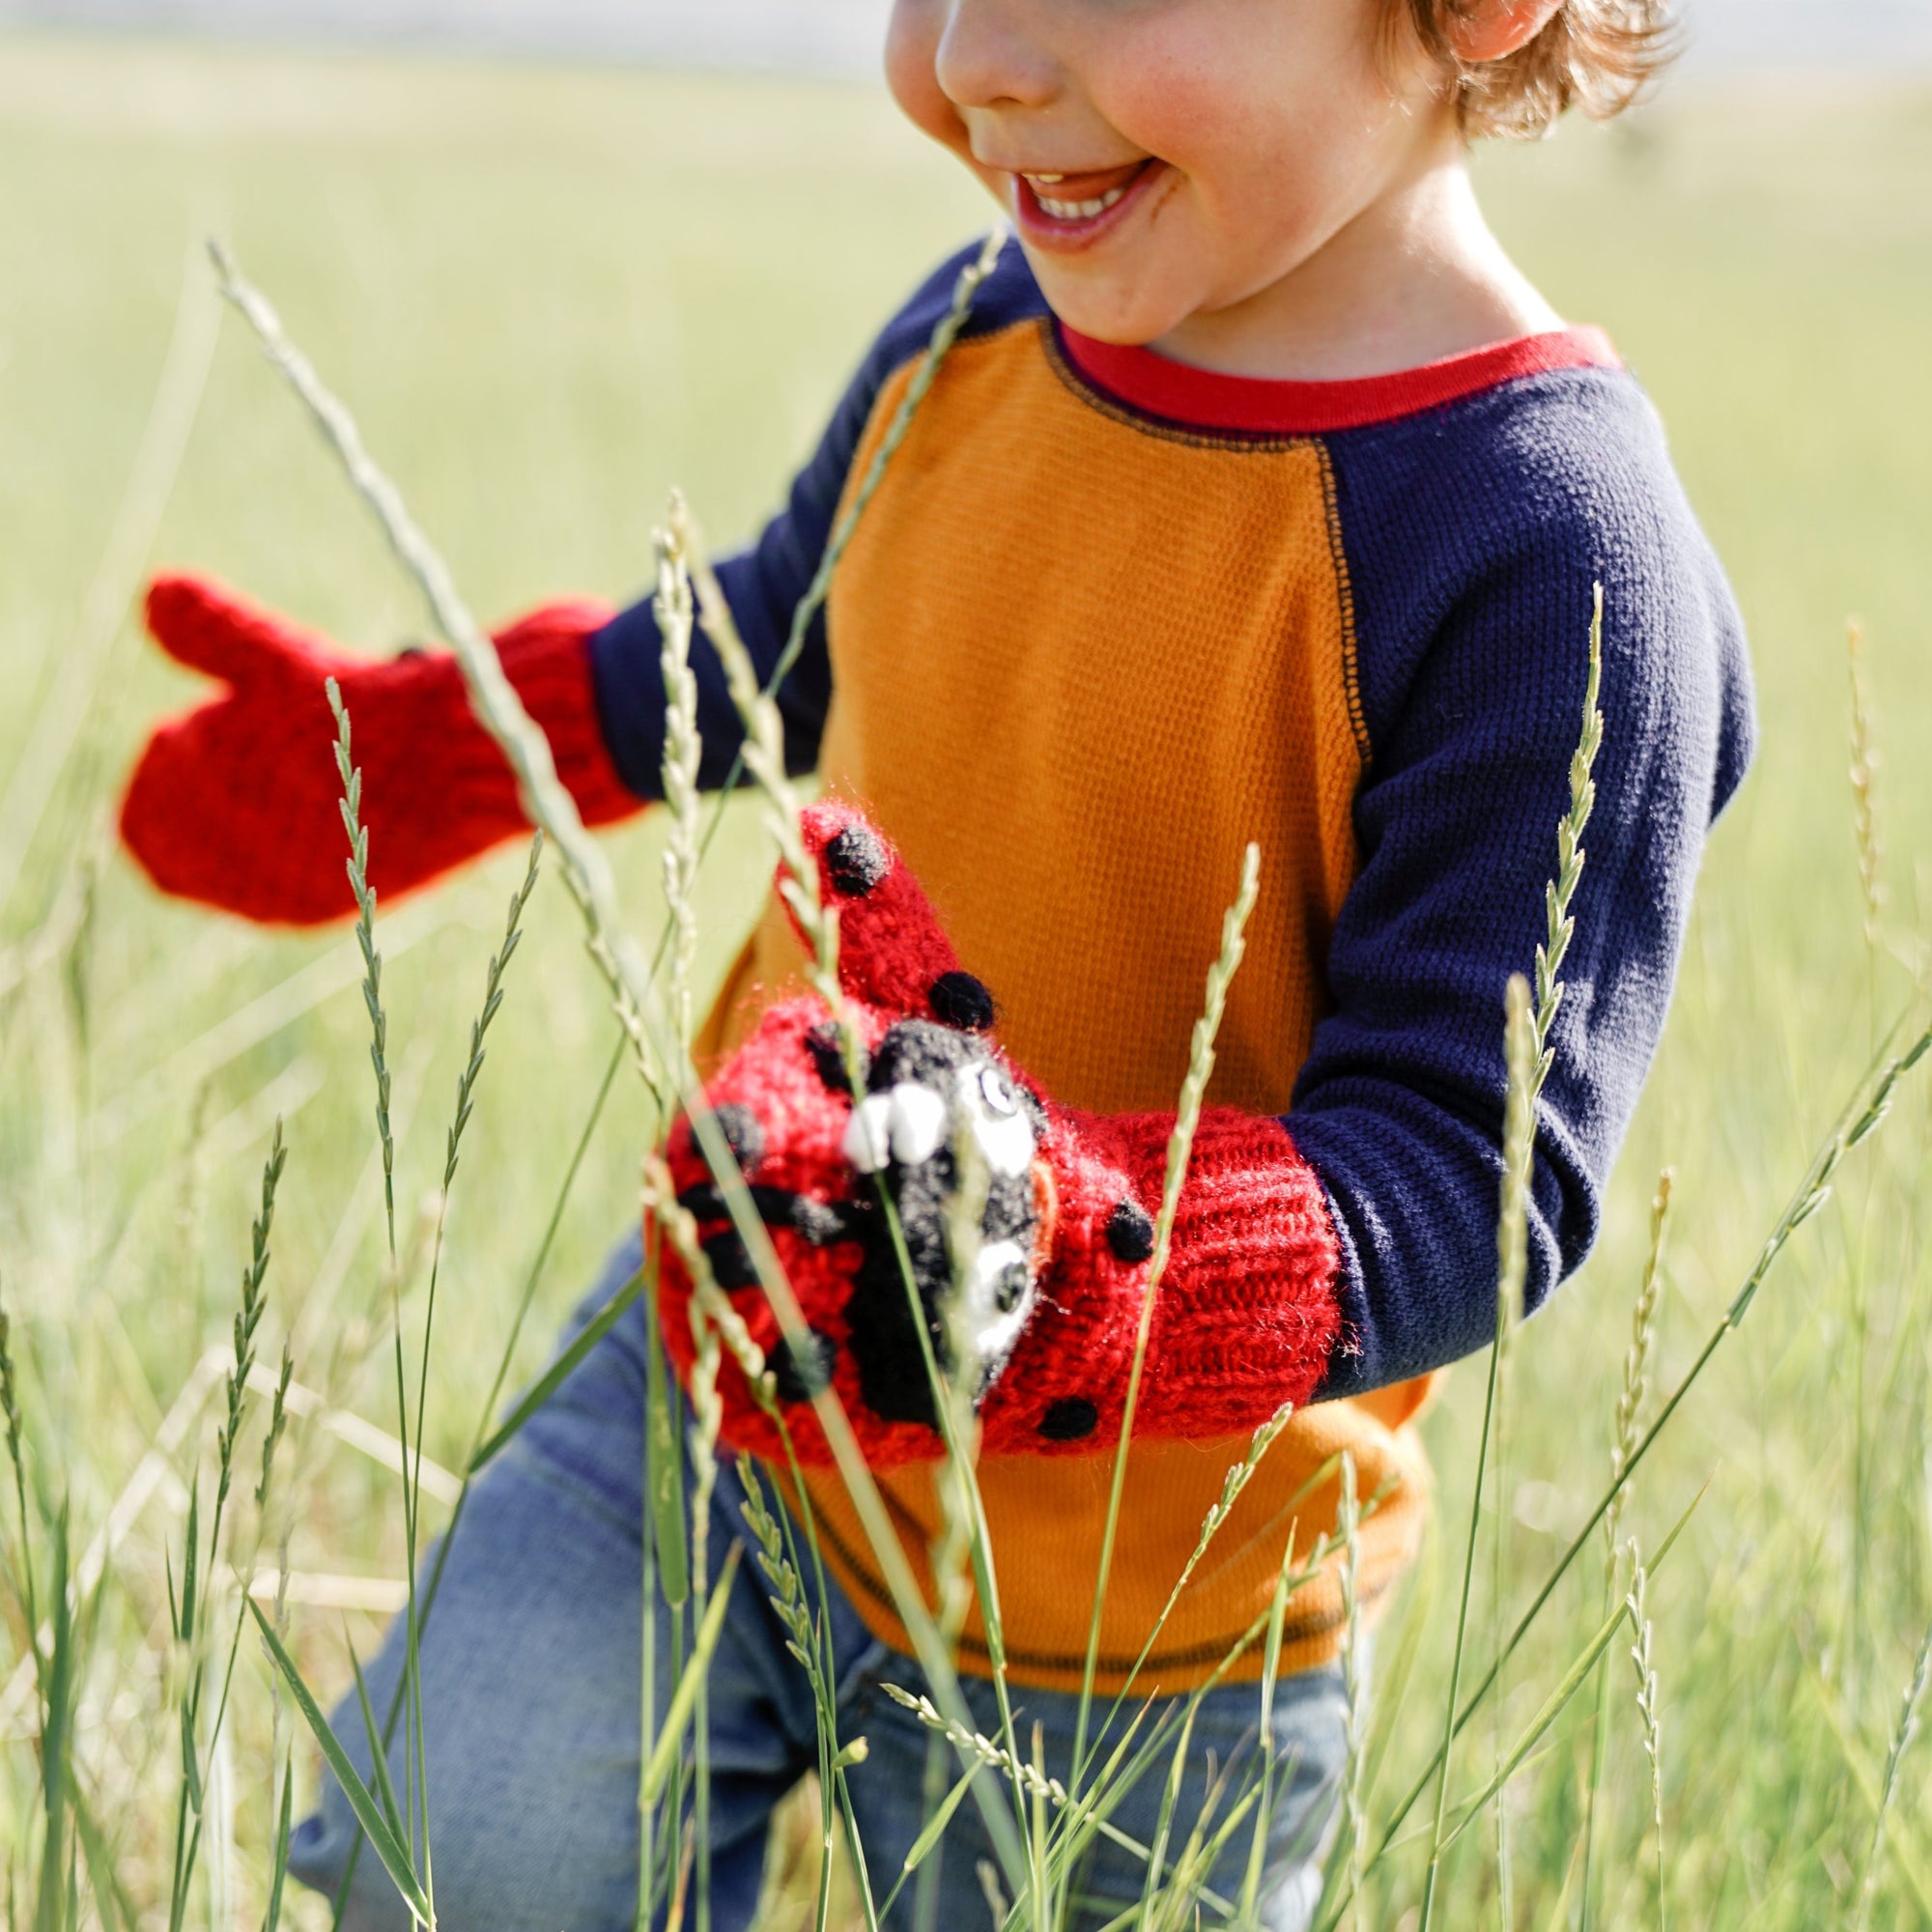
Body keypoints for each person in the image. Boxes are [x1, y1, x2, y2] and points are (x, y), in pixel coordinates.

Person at [119, 0, 1755, 1924]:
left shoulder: (1545, 545)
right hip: (727, 1360)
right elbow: (777, 632)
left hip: (1142, 1621)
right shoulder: (976, 329)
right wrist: (449, 741)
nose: (969, 58)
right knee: (466, 1835)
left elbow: (1472, 1166)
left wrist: (1075, 1264)